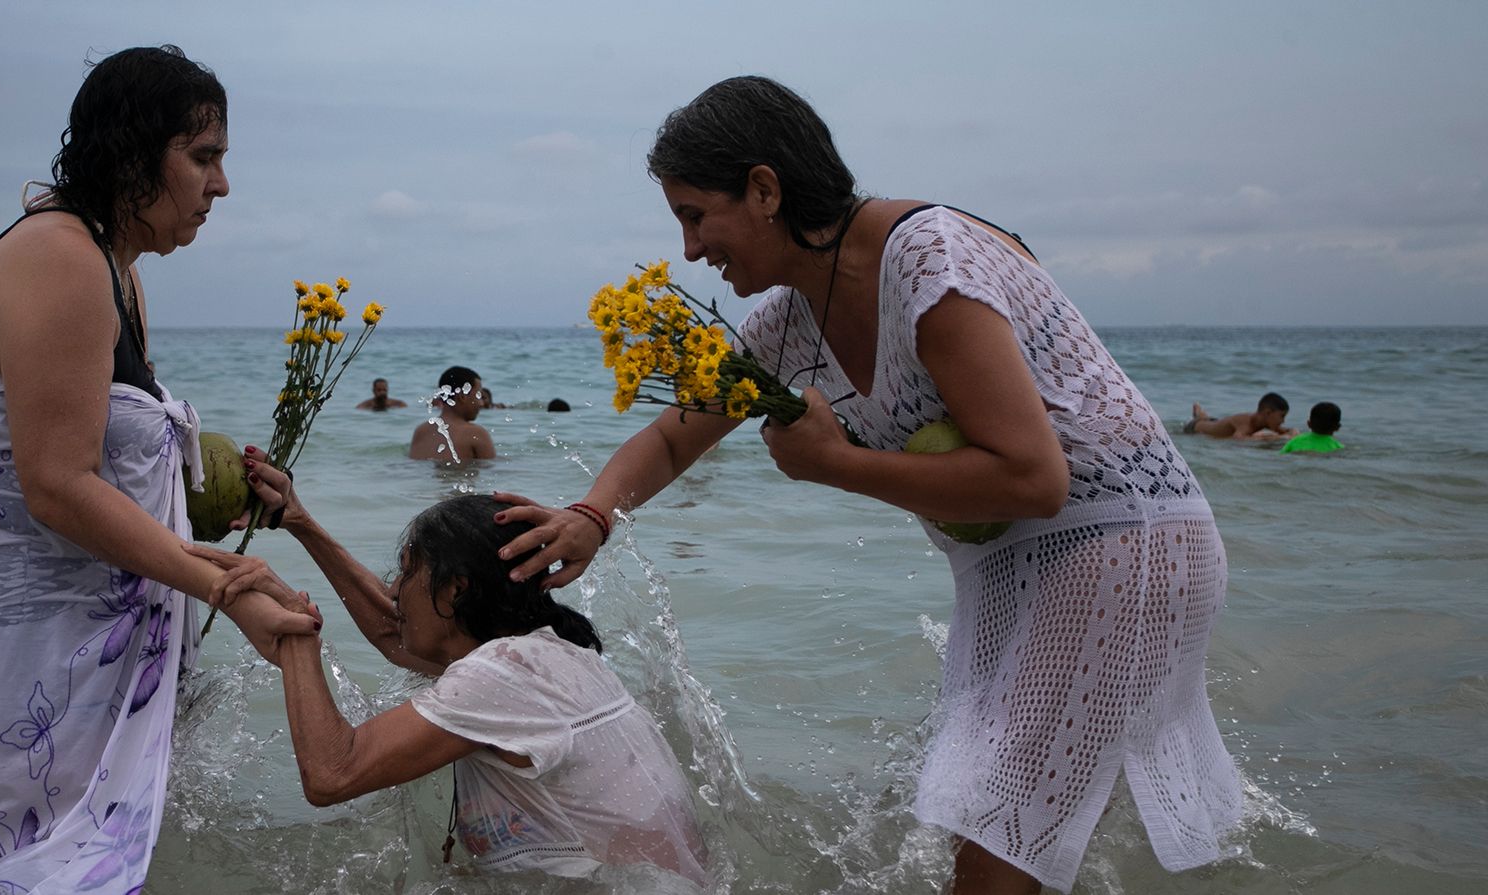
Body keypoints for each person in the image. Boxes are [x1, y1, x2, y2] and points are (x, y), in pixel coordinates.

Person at [495, 76, 1240, 894]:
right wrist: (592, 516)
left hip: (1118, 547)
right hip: (1015, 572)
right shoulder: (786, 324)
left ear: (765, 188)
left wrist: (839, 464)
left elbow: (1035, 478)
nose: (689, 251)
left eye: (695, 215)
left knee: (995, 849)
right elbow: (675, 439)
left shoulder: (928, 258)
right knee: (1008, 839)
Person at [0, 46, 316, 894]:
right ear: (132, 156)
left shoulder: (115, 269)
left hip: (65, 623)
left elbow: (102, 450)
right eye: (203, 158)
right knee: (44, 870)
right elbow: (58, 484)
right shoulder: (60, 258)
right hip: (23, 634)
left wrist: (215, 483)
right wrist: (225, 586)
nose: (222, 185)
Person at [186, 488, 709, 887]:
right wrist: (299, 523)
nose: (393, 589)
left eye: (407, 572)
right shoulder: (552, 655)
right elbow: (399, 633)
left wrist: (293, 637)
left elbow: (332, 773)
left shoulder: (502, 673)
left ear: (456, 588)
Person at [408, 365, 496, 462]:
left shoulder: (420, 431)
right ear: (463, 396)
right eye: (478, 395)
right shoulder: (476, 433)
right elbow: (492, 470)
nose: (481, 403)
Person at [1184, 392, 1294, 439]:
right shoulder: (1246, 422)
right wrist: (1269, 439)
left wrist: (1290, 433)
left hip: (1214, 423)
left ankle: (1199, 413)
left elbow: (1284, 432)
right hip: (1194, 427)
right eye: (1282, 416)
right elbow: (1238, 439)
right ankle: (1198, 413)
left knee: (1208, 419)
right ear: (1268, 413)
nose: (1283, 421)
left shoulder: (1265, 422)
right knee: (1202, 420)